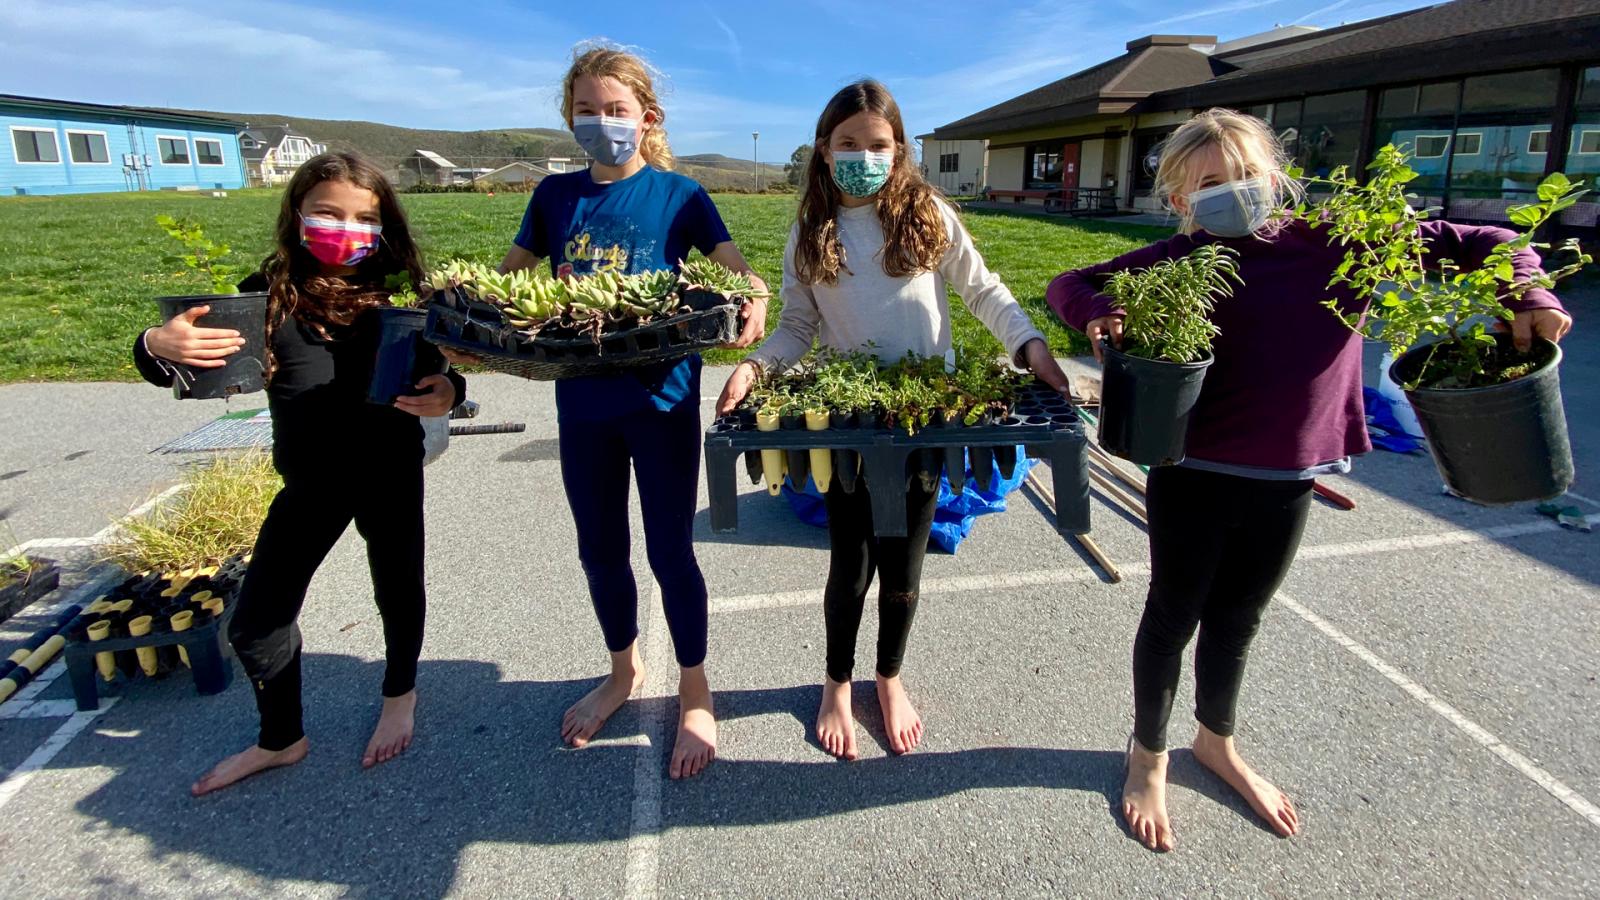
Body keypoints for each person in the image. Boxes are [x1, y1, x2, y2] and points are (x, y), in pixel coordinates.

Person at [1046, 108, 1573, 851]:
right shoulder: (1176, 258)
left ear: (1277, 178)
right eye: (1209, 184)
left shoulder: (1338, 244)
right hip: (1191, 467)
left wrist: (1532, 295)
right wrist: (1101, 312)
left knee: (1239, 621)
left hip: (1289, 473)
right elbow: (1069, 282)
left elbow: (1486, 243)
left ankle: (1216, 742)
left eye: (1246, 175)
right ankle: (1149, 755)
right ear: (1179, 202)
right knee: (1171, 617)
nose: (1233, 191)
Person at [717, 80, 1072, 761]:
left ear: (899, 149)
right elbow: (796, 324)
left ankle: (889, 678)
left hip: (923, 419)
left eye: (877, 145)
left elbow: (983, 289)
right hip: (852, 423)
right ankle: (835, 683)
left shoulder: (927, 213)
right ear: (823, 151)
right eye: (847, 144)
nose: (863, 156)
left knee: (905, 568)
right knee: (849, 566)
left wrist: (1029, 344)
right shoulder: (811, 230)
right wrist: (757, 368)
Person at [135, 151, 465, 795]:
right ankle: (281, 737)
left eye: (362, 218)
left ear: (384, 224)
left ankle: (401, 692)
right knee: (255, 622)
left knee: (398, 589)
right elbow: (187, 359)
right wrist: (156, 344)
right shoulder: (267, 290)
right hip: (310, 480)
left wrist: (448, 390)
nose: (345, 229)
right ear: (297, 214)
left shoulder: (403, 289)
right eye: (327, 213)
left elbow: (445, 371)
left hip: (390, 470)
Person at [496, 46, 768, 779]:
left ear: (647, 120)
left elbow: (736, 269)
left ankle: (696, 688)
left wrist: (757, 296)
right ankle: (623, 672)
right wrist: (473, 314)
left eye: (616, 111)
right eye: (587, 110)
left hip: (662, 401)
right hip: (583, 405)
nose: (601, 122)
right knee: (599, 549)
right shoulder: (555, 200)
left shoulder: (680, 196)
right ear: (569, 117)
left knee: (670, 551)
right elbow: (506, 280)